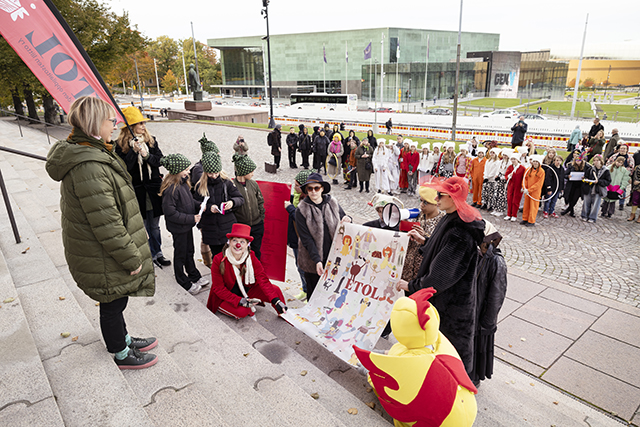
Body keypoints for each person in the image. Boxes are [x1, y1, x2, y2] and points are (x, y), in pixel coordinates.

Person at [46, 96, 157, 369]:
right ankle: (121, 353)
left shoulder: (90, 151)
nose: (115, 124)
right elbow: (106, 224)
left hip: (97, 249)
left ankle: (123, 338)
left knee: (116, 300)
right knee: (112, 302)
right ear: (96, 123)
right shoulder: (89, 165)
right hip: (100, 252)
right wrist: (132, 258)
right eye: (111, 120)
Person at [396, 176, 485, 374]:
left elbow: (440, 276)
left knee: (450, 353)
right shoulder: (451, 217)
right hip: (446, 302)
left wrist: (411, 286)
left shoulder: (460, 231)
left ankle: (455, 389)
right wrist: (424, 242)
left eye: (440, 195)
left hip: (452, 306)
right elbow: (441, 249)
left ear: (453, 198)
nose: (436, 198)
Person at [115, 107, 170, 268]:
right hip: (137, 191)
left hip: (152, 190)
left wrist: (146, 155)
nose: (143, 126)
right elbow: (124, 167)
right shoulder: (120, 145)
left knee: (154, 225)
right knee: (143, 226)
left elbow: (160, 161)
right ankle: (148, 254)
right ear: (131, 126)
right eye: (140, 123)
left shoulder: (151, 140)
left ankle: (158, 252)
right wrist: (133, 151)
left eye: (143, 122)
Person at [206, 223, 287, 319]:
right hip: (225, 297)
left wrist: (276, 301)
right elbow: (218, 288)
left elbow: (262, 279)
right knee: (243, 311)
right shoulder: (218, 259)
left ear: (247, 244)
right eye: (235, 240)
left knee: (275, 291)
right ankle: (226, 307)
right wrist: (239, 301)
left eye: (242, 241)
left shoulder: (251, 256)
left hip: (246, 291)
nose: (238, 245)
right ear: (229, 242)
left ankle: (284, 314)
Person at [159, 154, 209, 295]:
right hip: (179, 228)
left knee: (189, 251)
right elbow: (171, 213)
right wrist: (191, 218)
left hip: (186, 226)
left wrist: (199, 205)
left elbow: (190, 201)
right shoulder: (171, 190)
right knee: (180, 254)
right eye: (186, 169)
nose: (188, 172)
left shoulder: (184, 184)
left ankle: (194, 275)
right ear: (177, 171)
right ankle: (183, 280)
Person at [295, 173, 350, 298]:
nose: (313, 191)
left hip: (333, 258)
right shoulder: (301, 209)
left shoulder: (332, 202)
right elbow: (306, 239)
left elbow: (344, 218)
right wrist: (317, 260)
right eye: (310, 188)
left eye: (316, 188)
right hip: (312, 260)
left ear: (322, 188)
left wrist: (348, 218)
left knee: (331, 293)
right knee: (314, 294)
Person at [470, 221, 507, 385]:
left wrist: (488, 322)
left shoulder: (496, 261)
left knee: (479, 345)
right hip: (471, 309)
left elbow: (496, 294)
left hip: (482, 314)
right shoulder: (477, 254)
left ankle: (475, 377)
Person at [194, 151, 245, 257]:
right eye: (210, 173)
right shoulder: (200, 185)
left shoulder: (226, 182)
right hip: (210, 227)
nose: (213, 176)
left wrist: (232, 202)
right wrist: (208, 208)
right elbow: (195, 203)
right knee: (217, 256)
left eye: (216, 173)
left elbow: (240, 198)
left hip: (227, 226)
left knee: (230, 255)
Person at [400, 186, 445, 283]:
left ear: (435, 203)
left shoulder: (442, 221)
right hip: (407, 267)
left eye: (425, 202)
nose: (421, 205)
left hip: (424, 270)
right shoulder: (416, 215)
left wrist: (425, 236)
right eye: (420, 201)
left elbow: (441, 245)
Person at [190, 134, 220, 268]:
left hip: (210, 208)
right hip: (204, 209)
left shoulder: (204, 167)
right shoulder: (199, 170)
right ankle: (208, 262)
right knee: (206, 237)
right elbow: (201, 193)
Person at [285, 169, 315, 300]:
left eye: (297, 185)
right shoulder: (297, 197)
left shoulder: (309, 201)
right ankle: (304, 289)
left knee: (306, 268)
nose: (294, 187)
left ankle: (311, 294)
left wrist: (290, 208)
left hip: (304, 241)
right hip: (295, 239)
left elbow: (301, 218)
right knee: (299, 266)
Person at [231, 154, 265, 259]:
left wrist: (261, 218)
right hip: (241, 227)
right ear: (243, 172)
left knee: (256, 252)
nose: (253, 174)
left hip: (256, 225)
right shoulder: (232, 185)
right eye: (251, 171)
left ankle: (255, 272)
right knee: (241, 253)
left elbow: (260, 201)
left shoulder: (253, 184)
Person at [581, 154, 611, 223]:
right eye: (594, 160)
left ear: (601, 161)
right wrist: (586, 179)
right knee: (586, 202)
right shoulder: (590, 169)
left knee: (595, 205)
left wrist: (599, 181)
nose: (596, 162)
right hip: (589, 188)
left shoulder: (605, 170)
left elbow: (608, 181)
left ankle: (592, 217)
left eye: (597, 160)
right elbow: (586, 176)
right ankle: (584, 215)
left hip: (598, 189)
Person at [521, 155, 546, 227]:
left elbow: (539, 183)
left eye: (536, 162)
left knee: (533, 206)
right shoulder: (528, 170)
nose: (535, 163)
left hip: (535, 192)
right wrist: (524, 187)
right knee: (526, 205)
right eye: (534, 161)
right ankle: (525, 218)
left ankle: (531, 221)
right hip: (527, 191)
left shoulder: (541, 171)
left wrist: (529, 189)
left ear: (539, 163)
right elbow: (524, 179)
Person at [561, 151, 588, 217]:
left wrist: (585, 177)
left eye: (579, 160)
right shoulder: (571, 166)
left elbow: (588, 176)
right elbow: (565, 175)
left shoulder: (585, 167)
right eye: (576, 160)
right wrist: (568, 176)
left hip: (579, 186)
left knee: (575, 199)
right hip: (571, 185)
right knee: (570, 198)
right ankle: (571, 211)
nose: (578, 161)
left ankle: (567, 210)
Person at [504, 154, 525, 222]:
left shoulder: (522, 168)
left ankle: (514, 215)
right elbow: (506, 175)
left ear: (517, 160)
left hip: (518, 186)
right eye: (512, 159)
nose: (513, 161)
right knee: (509, 199)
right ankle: (508, 214)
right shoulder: (510, 167)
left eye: (514, 159)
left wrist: (523, 186)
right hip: (511, 185)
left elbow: (524, 178)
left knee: (515, 201)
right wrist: (508, 177)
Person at [491, 149, 511, 217]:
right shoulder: (500, 162)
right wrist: (496, 175)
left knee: (501, 196)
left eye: (506, 155)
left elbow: (508, 173)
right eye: (504, 155)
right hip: (498, 178)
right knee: (496, 194)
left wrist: (502, 177)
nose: (505, 156)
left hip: (503, 180)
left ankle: (500, 210)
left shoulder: (509, 163)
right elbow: (497, 169)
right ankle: (495, 208)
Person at [628, 152, 640, 222]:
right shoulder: (638, 167)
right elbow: (635, 177)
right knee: (635, 200)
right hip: (637, 187)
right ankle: (632, 214)